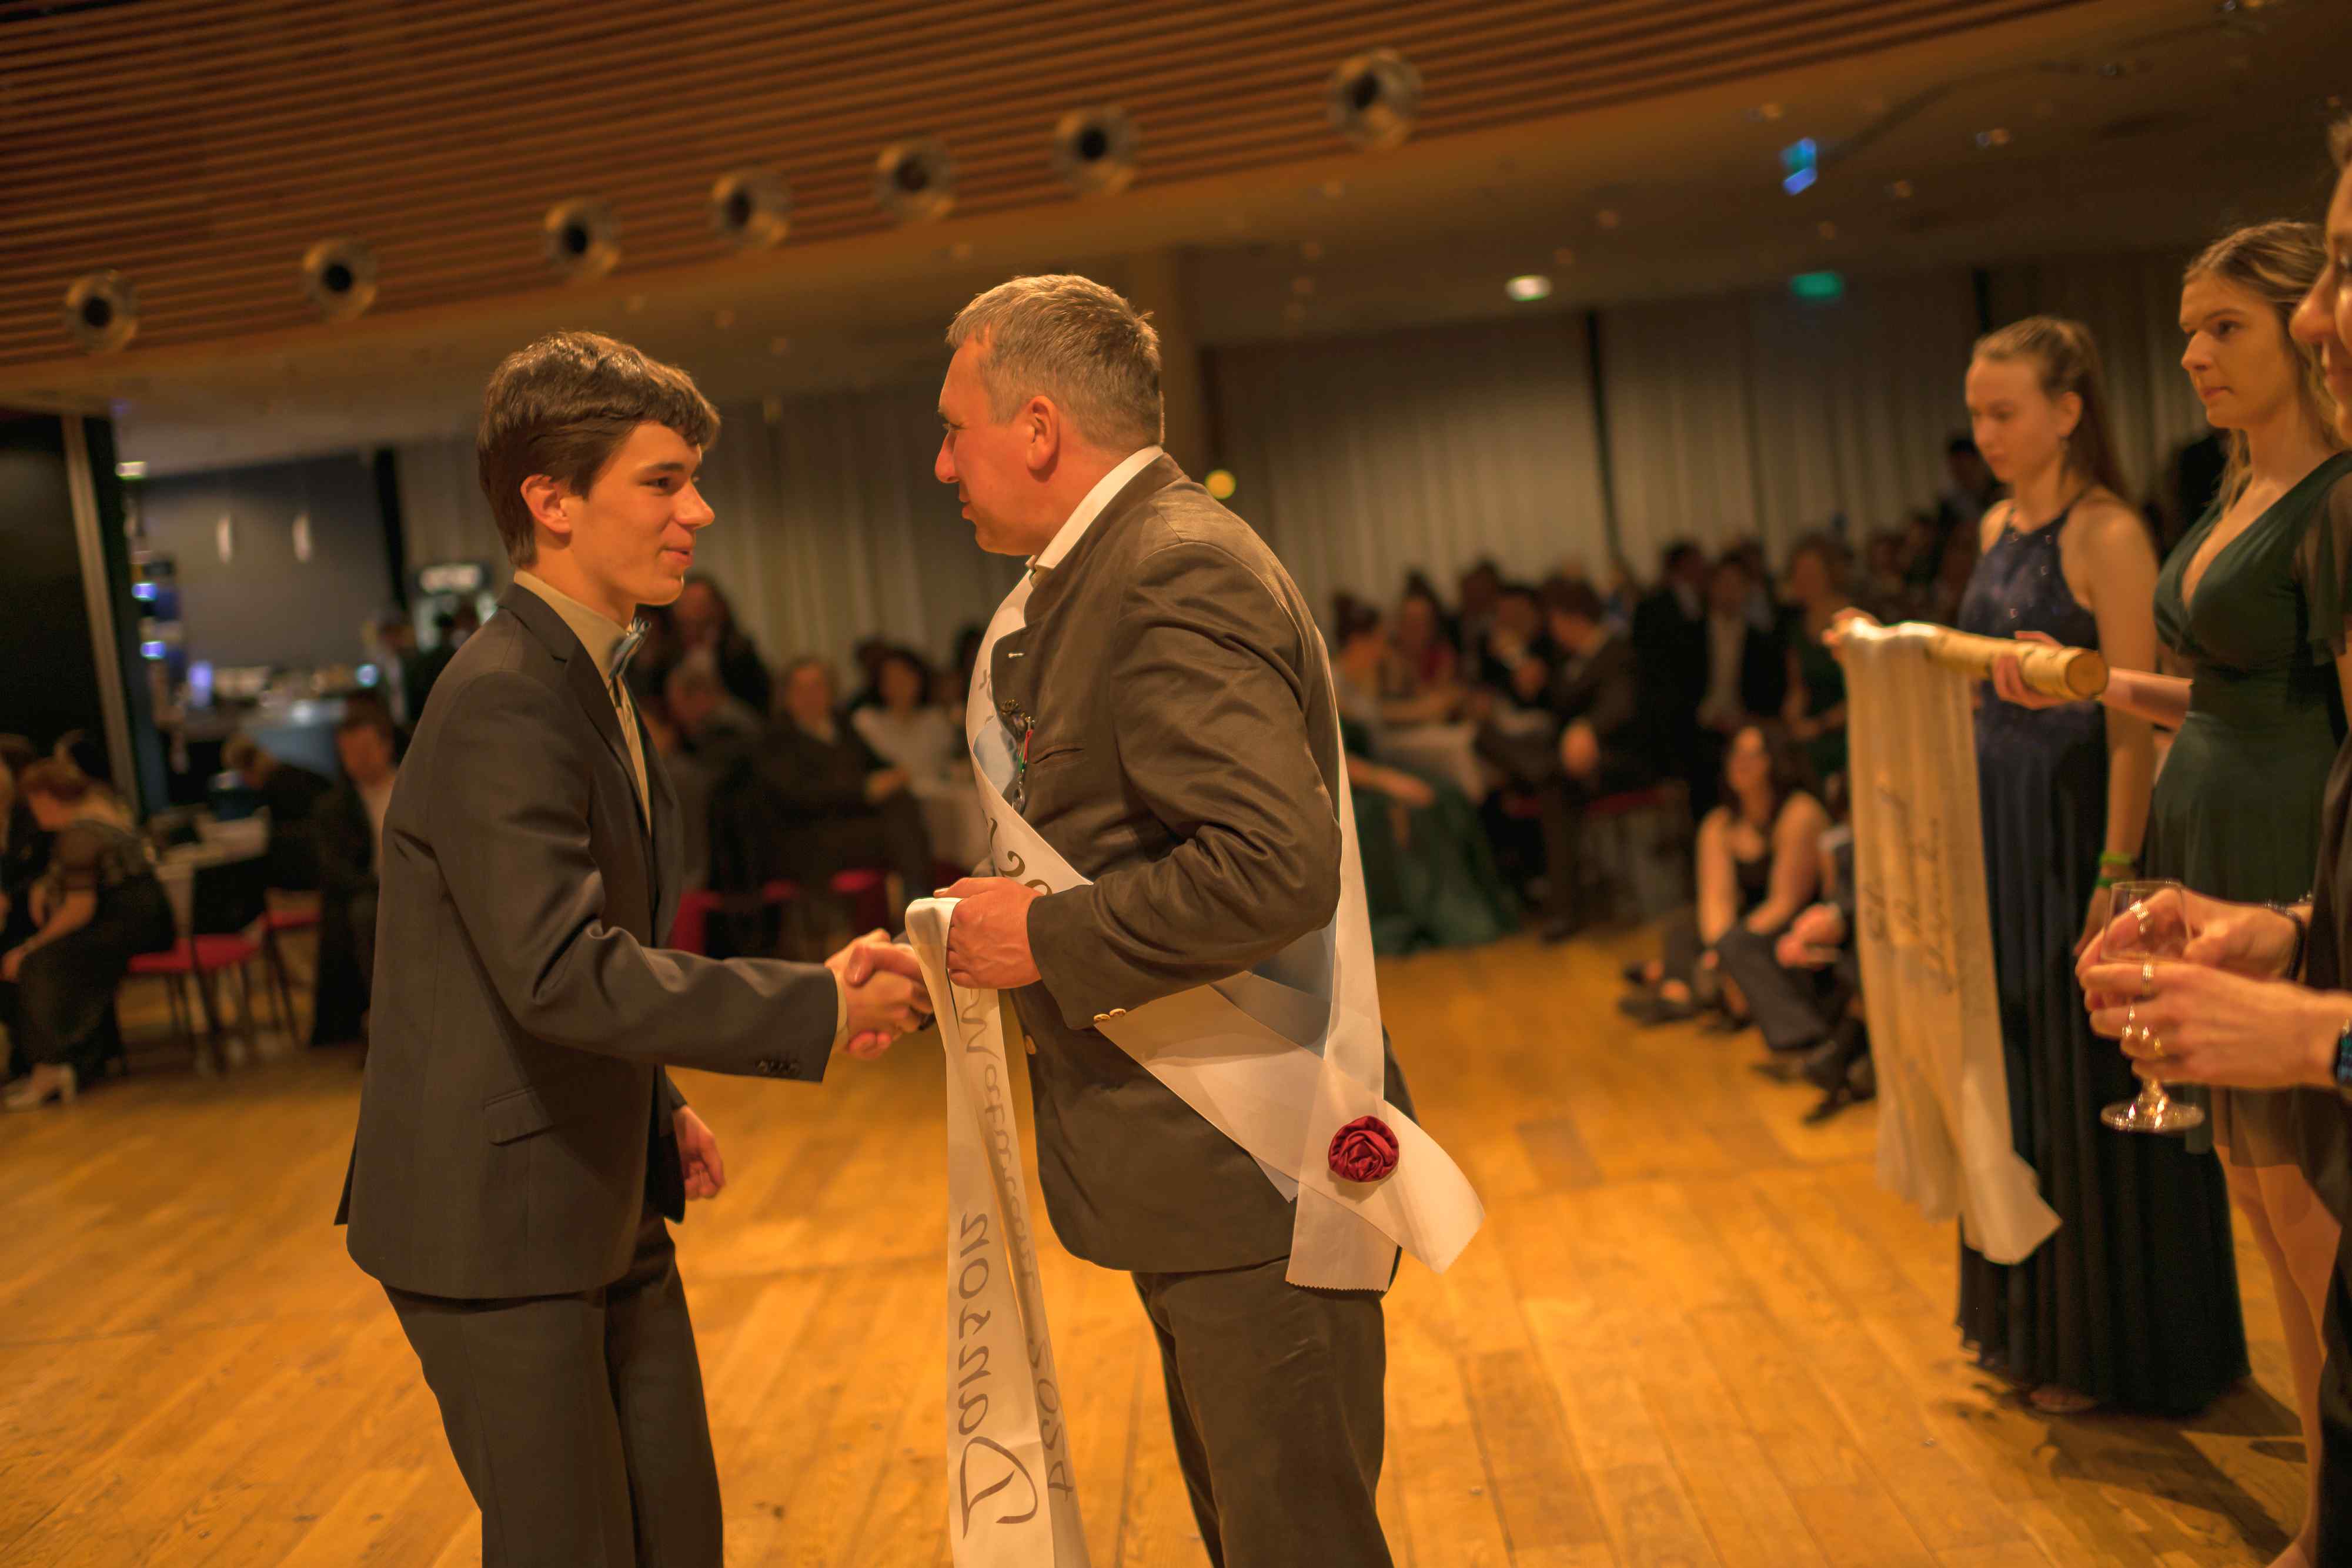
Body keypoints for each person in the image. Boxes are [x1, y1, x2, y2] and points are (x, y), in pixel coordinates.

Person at [336, 330, 931, 1568]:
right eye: (663, 481)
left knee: (674, 1537)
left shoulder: (587, 672)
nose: (697, 511)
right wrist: (817, 1002)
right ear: (551, 501)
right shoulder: (505, 691)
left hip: (592, 1183)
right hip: (495, 1221)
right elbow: (558, 967)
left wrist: (653, 1101)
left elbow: (558, 954)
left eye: (692, 479)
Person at [929, 273, 1413, 1567]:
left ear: (1037, 428)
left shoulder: (1165, 570)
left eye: (956, 430)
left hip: (1248, 1160)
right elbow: (1112, 832)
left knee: (1294, 1540)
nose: (942, 464)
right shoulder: (1114, 566)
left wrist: (1043, 939)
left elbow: (1273, 864)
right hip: (1201, 1157)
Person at [1994, 220, 2348, 1552]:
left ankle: (2331, 1516)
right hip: (2220, 844)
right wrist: (2087, 684)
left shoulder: (2334, 497)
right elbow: (2222, 698)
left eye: (2225, 328)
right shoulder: (2239, 487)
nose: (2194, 352)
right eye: (2189, 329)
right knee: (2262, 1204)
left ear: (2302, 330)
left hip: (2282, 849)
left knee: (2308, 1217)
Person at [1955, 314, 2245, 1416]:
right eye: (1977, 414)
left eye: (2004, 412)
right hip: (2002, 821)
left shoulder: (2109, 531)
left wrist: (2117, 870)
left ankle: (2110, 1346)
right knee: (2021, 1068)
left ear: (2069, 412)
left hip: (2077, 822)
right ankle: (2031, 1326)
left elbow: (2135, 720)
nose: (1985, 433)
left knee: (2088, 1075)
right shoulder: (1995, 524)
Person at [1331, 600, 1515, 953]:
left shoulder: (1361, 678)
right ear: (1359, 642)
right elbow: (1336, 758)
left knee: (1451, 794)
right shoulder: (1333, 681)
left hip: (1375, 771)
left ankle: (1482, 903)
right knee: (1428, 803)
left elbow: (1385, 718)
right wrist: (1392, 782)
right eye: (1379, 640)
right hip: (1355, 785)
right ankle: (1444, 913)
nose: (1385, 648)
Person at [1619, 723, 1825, 1027]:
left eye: (1753, 755)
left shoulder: (1800, 813)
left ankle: (1675, 982)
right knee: (1683, 930)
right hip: (1744, 926)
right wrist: (1722, 952)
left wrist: (1732, 951)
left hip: (1788, 924)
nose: (1741, 763)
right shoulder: (1720, 823)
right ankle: (1685, 988)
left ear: (1777, 761)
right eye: (1736, 754)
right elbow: (1717, 900)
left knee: (1751, 948)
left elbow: (1785, 903)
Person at [1476, 577, 1647, 940]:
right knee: (1493, 741)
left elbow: (1621, 706)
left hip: (1614, 758)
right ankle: (1563, 908)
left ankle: (1564, 909)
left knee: (1553, 786)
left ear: (1572, 619)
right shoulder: (1566, 659)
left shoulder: (1618, 653)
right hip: (1565, 758)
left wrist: (1588, 728)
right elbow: (1550, 706)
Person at [1, 758, 174, 1109]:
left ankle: (52, 1068)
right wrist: (46, 885)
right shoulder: (100, 812)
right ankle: (67, 1063)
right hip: (143, 921)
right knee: (44, 962)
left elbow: (80, 909)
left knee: (36, 965)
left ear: (45, 797)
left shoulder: (79, 835)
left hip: (124, 927)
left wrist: (31, 946)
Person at [760, 656, 937, 918]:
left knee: (901, 806)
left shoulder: (841, 726)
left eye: (818, 687)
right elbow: (797, 796)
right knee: (901, 829)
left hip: (850, 824)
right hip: (808, 834)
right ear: (787, 696)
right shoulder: (776, 739)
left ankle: (916, 904)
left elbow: (876, 764)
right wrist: (863, 790)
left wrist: (892, 777)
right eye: (801, 689)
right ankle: (920, 907)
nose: (810, 696)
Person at [308, 705, 401, 1048]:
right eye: (349, 753)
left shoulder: (414, 788)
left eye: (364, 750)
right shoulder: (334, 806)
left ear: (386, 746)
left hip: (421, 888)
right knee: (365, 914)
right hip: (371, 893)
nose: (357, 760)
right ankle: (383, 1019)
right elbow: (335, 869)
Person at [851, 646, 990, 870]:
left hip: (940, 790)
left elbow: (949, 763)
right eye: (891, 679)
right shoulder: (867, 721)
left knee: (974, 799)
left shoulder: (935, 719)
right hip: (900, 798)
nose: (899, 686)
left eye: (905, 678)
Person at [1693, 553, 1786, 813]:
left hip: (1746, 724)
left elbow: (1770, 693)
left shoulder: (1761, 641)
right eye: (1723, 583)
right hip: (1700, 731)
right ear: (1711, 588)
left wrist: (1744, 720)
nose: (1729, 591)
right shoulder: (1689, 637)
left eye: (1736, 585)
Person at [1778, 534, 1853, 790]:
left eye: (1811, 573)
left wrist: (1820, 725)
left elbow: (1866, 692)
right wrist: (1793, 718)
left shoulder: (1851, 620)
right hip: (1814, 730)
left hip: (1850, 725)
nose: (1804, 580)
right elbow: (1798, 686)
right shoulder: (1796, 627)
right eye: (1799, 574)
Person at [222, 733, 333, 891]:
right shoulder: (292, 773)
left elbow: (284, 842)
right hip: (326, 862)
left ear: (247, 771)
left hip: (312, 873)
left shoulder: (276, 787)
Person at [671, 574, 773, 719]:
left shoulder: (738, 650)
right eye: (686, 604)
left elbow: (759, 700)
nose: (693, 613)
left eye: (700, 604)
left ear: (717, 607)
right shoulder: (669, 652)